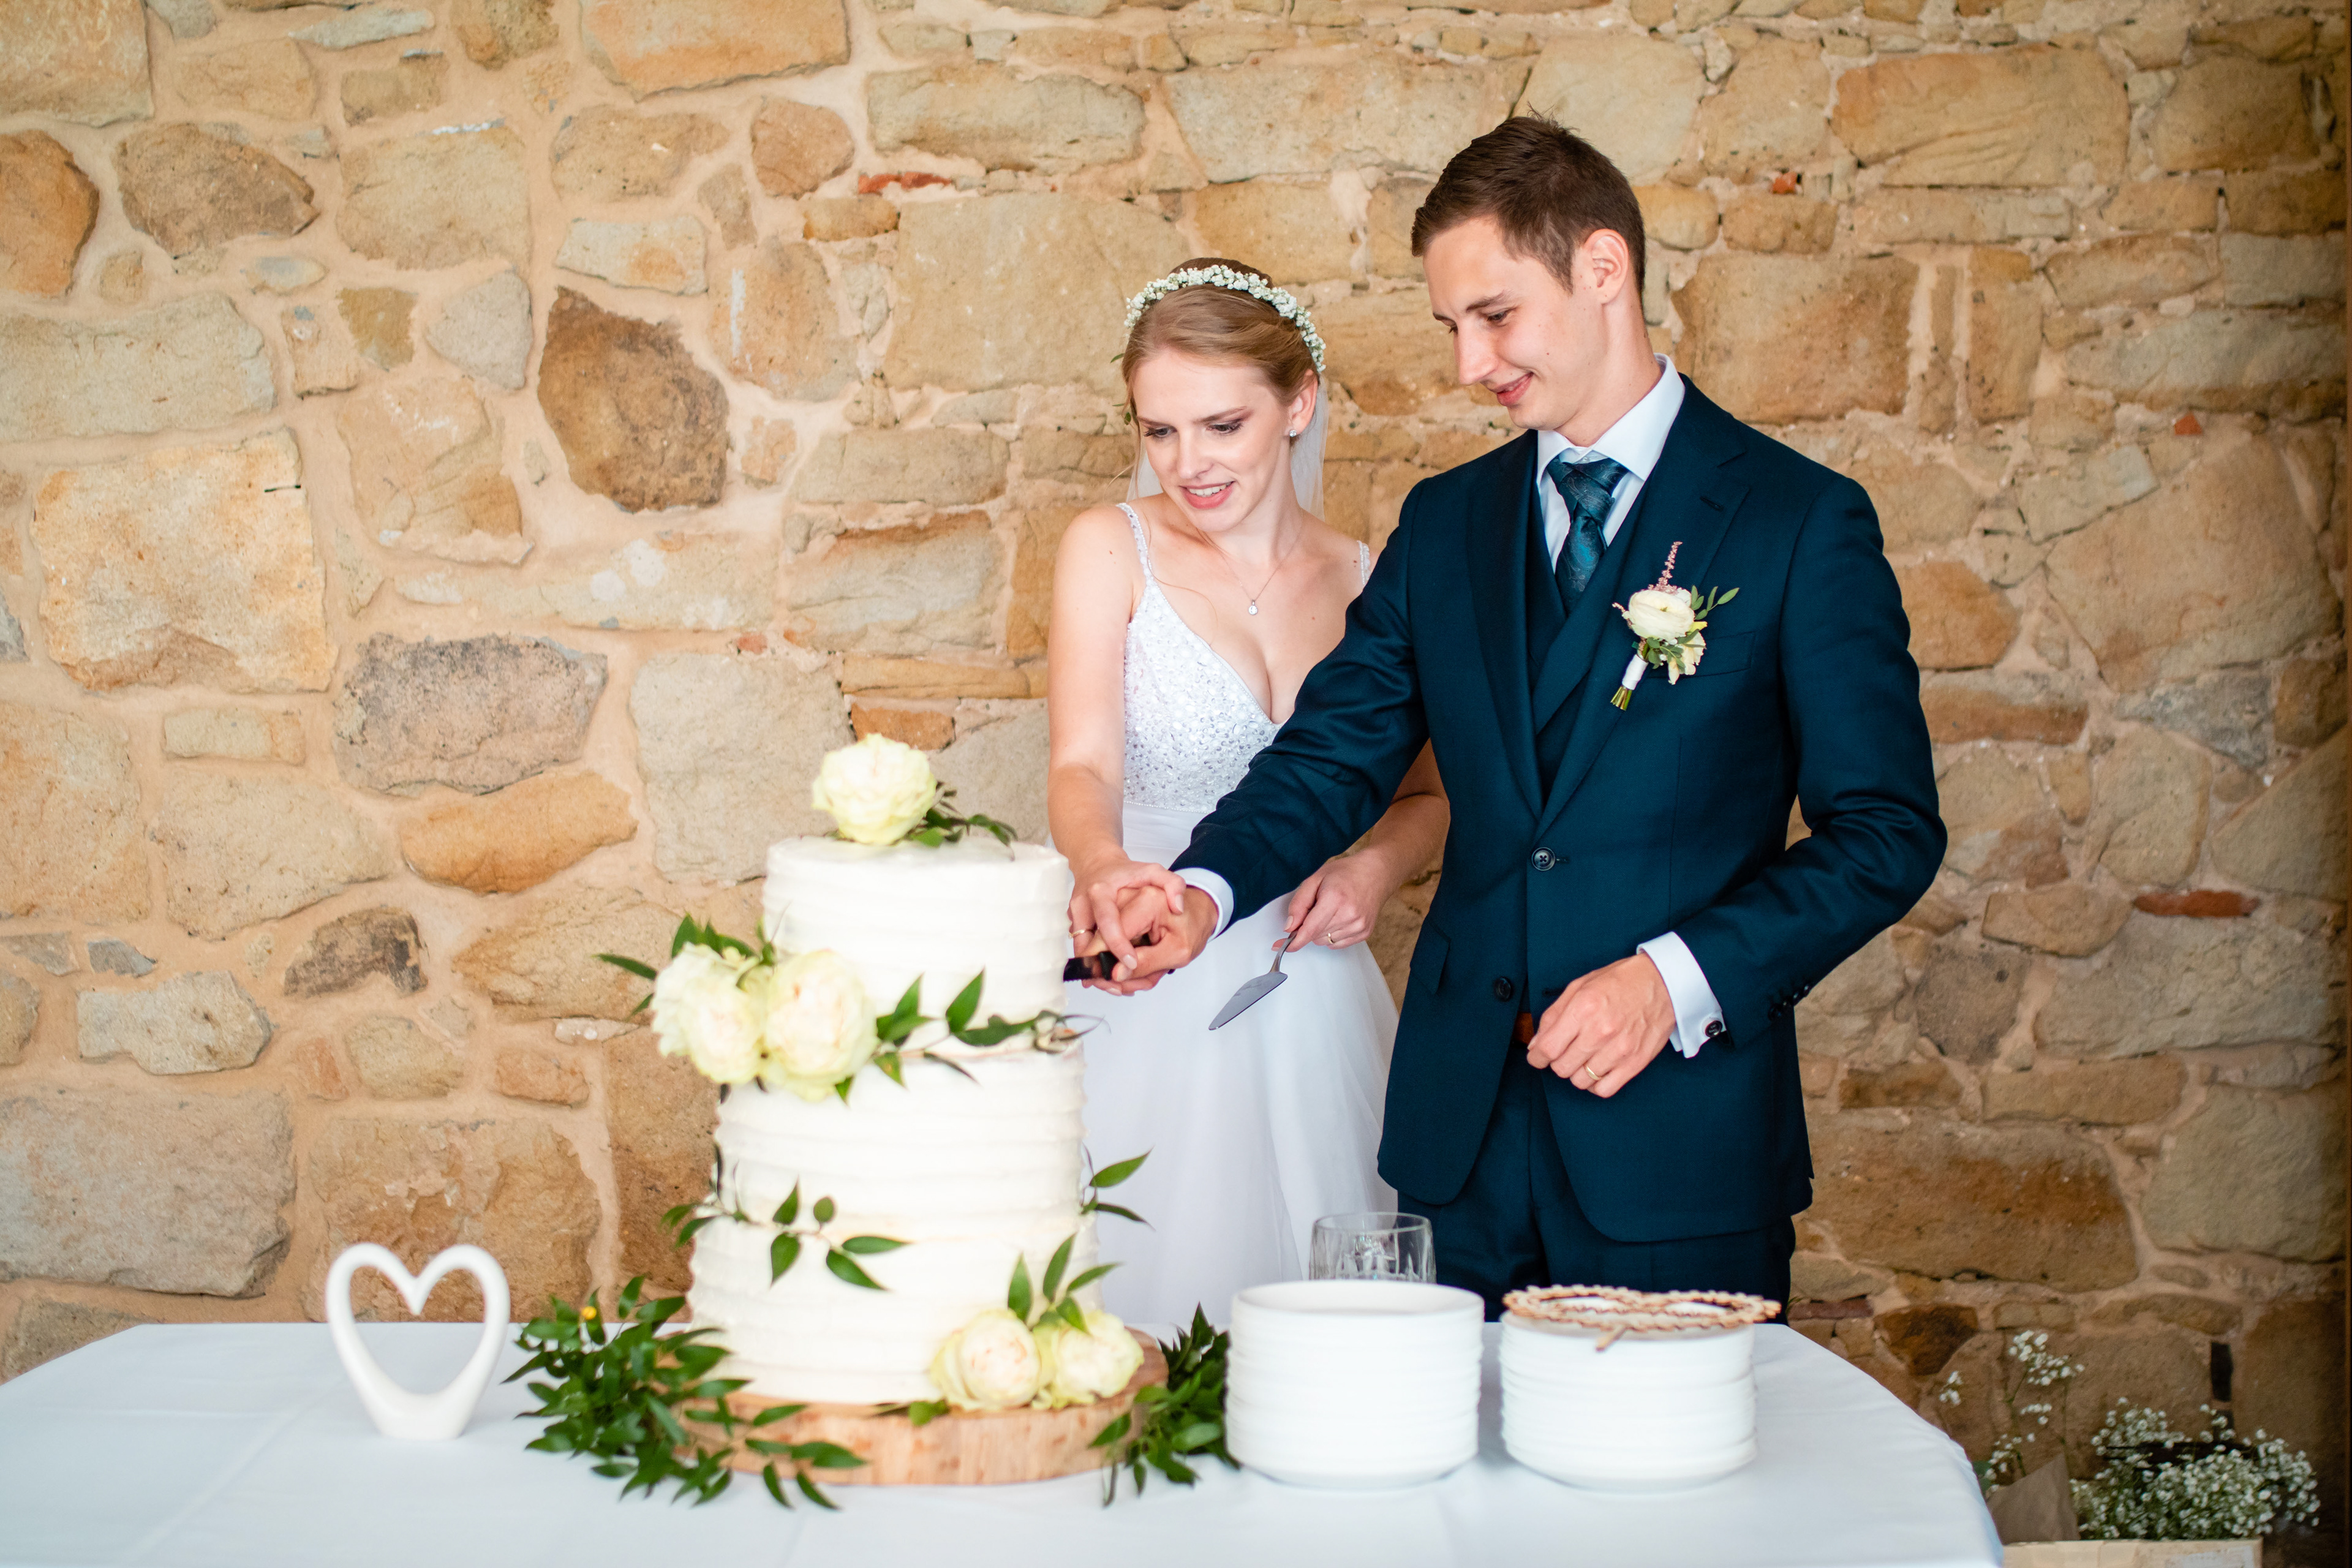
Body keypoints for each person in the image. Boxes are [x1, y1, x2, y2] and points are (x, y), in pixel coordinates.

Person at [1098, 121, 1944, 1315]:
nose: (1468, 364)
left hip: (1677, 1151)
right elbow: (1333, 754)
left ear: (1603, 268)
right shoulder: (1446, 523)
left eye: (1493, 316)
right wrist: (1203, 890)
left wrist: (1672, 981)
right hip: (1459, 1148)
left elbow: (1886, 834)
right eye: (1452, 326)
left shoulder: (1798, 522)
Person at [1047, 258, 1450, 1327]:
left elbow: (1429, 799)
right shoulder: (1110, 547)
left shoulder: (1371, 579)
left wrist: (1374, 869)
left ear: (1298, 404)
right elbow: (1082, 764)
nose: (1190, 463)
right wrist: (1104, 866)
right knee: (1125, 1282)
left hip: (1304, 979)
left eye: (1222, 426)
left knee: (1325, 1305)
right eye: (1161, 431)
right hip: (1142, 954)